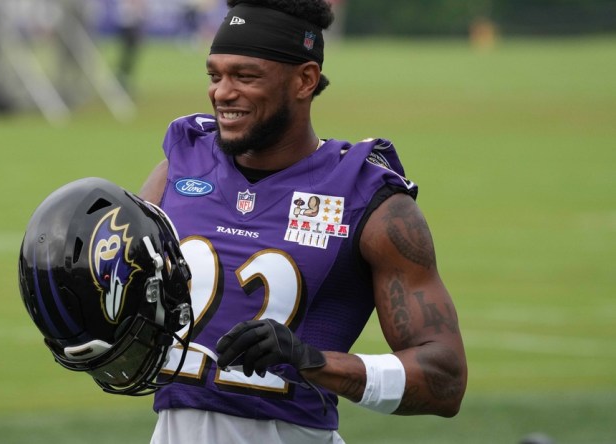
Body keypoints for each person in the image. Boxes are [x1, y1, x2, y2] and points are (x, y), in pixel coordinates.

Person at [138, 0, 468, 442]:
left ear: (305, 80)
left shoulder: (368, 198)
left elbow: (445, 379)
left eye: (245, 76)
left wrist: (313, 360)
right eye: (215, 75)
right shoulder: (177, 171)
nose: (222, 92)